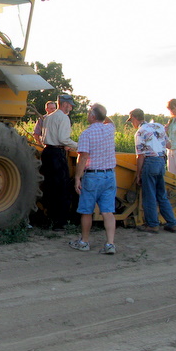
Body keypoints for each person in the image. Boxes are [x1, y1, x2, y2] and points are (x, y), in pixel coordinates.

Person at [68, 103, 117, 254]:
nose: (88, 114)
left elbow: (83, 158)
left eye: (90, 112)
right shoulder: (110, 129)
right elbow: (110, 121)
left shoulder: (86, 134)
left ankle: (84, 241)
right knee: (108, 212)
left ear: (93, 116)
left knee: (87, 211)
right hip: (109, 175)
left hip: (93, 176)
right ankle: (110, 244)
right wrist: (100, 109)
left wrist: (77, 177)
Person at [128, 108, 176, 233]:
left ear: (134, 118)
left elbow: (140, 156)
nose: (132, 124)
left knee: (149, 194)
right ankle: (172, 222)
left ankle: (152, 224)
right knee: (161, 194)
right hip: (161, 161)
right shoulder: (158, 126)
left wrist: (138, 174)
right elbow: (169, 145)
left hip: (150, 163)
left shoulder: (140, 132)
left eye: (131, 121)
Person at [40, 94, 78, 230]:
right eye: (70, 105)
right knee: (61, 188)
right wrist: (79, 146)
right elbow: (63, 139)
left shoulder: (48, 117)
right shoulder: (63, 117)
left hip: (47, 152)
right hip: (57, 153)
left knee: (48, 187)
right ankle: (59, 222)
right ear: (64, 104)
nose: (71, 107)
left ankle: (47, 218)